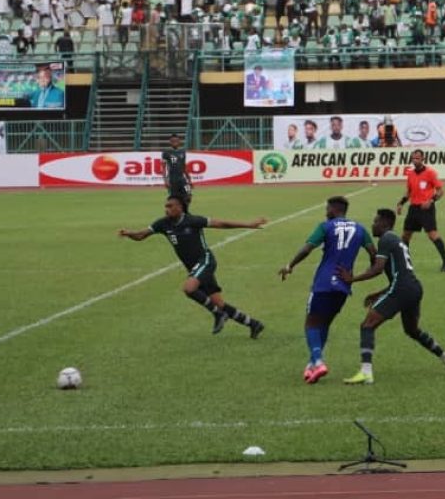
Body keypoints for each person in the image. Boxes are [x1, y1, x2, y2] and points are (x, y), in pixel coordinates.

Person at [339, 208, 445, 385]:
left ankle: (366, 372)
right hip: (413, 288)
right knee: (412, 330)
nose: (373, 224)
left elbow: (378, 268)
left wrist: (353, 279)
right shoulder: (397, 241)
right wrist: (379, 293)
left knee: (367, 325)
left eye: (376, 221)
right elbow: (399, 274)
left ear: (385, 224)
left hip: (402, 289)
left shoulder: (386, 238)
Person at [118, 196, 267, 337]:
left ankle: (218, 314)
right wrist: (129, 233)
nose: (166, 209)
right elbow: (141, 235)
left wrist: (248, 224)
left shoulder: (192, 220)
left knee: (189, 289)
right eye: (165, 206)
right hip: (194, 268)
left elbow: (221, 223)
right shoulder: (163, 224)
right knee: (218, 303)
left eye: (170, 206)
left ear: (180, 207)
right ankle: (253, 324)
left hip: (205, 261)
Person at [279, 196, 376, 384]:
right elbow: (374, 254)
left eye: (327, 208)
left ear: (334, 209)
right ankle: (311, 366)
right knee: (324, 324)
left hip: (323, 284)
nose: (326, 212)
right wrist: (362, 274)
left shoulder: (326, 226)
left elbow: (307, 249)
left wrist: (290, 265)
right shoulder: (360, 229)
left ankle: (318, 361)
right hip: (343, 286)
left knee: (311, 324)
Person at [397, 149, 445, 271]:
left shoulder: (430, 173)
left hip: (426, 209)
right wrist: (401, 203)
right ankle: (406, 263)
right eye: (413, 158)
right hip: (413, 208)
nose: (415, 160)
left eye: (418, 158)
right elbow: (409, 191)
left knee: (432, 235)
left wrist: (431, 201)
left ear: (423, 159)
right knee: (405, 236)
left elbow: (440, 191)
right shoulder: (410, 174)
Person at [162, 133, 192, 208]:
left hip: (182, 179)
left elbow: (184, 166)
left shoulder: (182, 152)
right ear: (170, 142)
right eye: (173, 141)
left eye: (176, 141)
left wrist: (189, 179)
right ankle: (172, 213)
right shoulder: (166, 153)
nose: (175, 143)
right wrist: (165, 180)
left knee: (189, 194)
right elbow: (163, 168)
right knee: (174, 199)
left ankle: (185, 212)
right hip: (172, 180)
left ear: (179, 141)